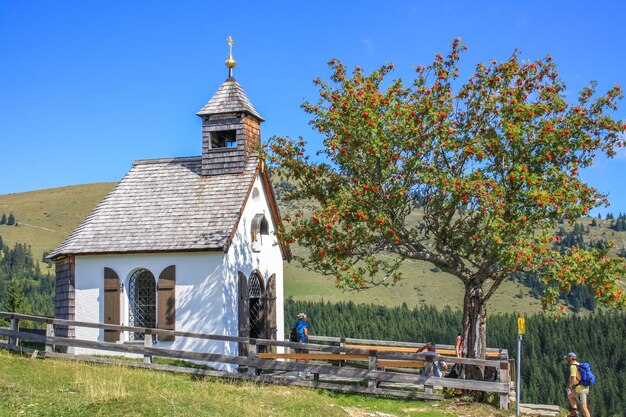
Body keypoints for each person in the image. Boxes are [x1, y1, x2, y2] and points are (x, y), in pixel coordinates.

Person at [565, 352, 591, 417]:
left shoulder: (573, 366)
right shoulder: (580, 365)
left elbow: (573, 380)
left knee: (584, 408)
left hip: (581, 390)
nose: (566, 360)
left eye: (567, 358)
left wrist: (569, 387)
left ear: (570, 358)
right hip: (583, 388)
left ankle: (575, 413)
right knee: (570, 396)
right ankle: (575, 412)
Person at [293, 313, 310, 378]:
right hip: (303, 341)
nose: (306, 318)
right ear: (303, 318)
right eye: (305, 317)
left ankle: (299, 372)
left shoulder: (296, 323)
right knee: (306, 356)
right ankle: (307, 372)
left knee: (298, 356)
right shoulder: (304, 324)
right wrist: (307, 341)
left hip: (296, 341)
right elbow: (305, 333)